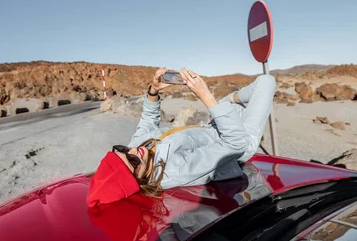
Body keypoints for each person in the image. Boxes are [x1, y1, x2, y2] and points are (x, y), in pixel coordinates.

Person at [86, 67, 276, 207]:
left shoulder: (138, 150)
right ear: (139, 181)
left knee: (241, 97)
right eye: (133, 160)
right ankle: (234, 99)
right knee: (266, 82)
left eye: (122, 149)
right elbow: (236, 142)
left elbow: (147, 122)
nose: (133, 150)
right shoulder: (175, 169)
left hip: (214, 127)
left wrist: (153, 90)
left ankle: (234, 100)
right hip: (238, 141)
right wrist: (205, 95)